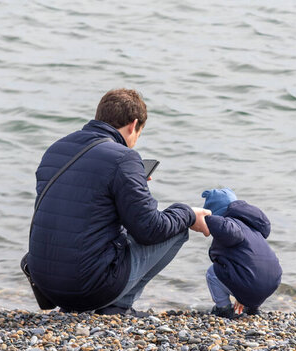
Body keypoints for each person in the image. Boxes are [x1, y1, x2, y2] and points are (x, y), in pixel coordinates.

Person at [27, 88, 211, 315]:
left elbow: (81, 204)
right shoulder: (124, 157)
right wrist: (189, 214)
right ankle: (119, 306)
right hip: (85, 290)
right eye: (138, 133)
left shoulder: (56, 149)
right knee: (177, 228)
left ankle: (99, 300)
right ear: (133, 125)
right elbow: (150, 230)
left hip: (47, 285)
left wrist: (130, 186)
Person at [202, 188, 282, 318]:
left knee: (212, 273)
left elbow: (227, 231)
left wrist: (205, 219)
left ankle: (223, 308)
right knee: (247, 266)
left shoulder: (230, 227)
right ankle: (252, 307)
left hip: (250, 285)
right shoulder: (252, 227)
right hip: (272, 282)